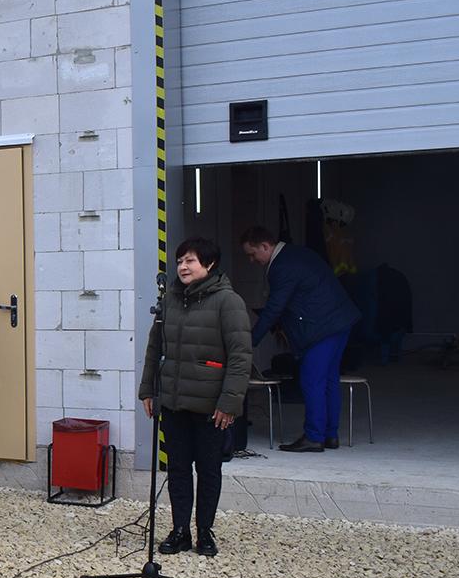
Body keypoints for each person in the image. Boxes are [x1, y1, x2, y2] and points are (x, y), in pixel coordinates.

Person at [137, 238, 251, 557]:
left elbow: (241, 356)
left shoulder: (228, 302)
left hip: (211, 407)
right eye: (180, 261)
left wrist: (229, 403)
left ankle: (205, 532)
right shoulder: (170, 300)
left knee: (209, 469)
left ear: (209, 264)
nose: (183, 267)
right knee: (177, 469)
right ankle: (180, 530)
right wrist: (148, 389)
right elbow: (154, 347)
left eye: (191, 261)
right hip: (174, 403)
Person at [241, 226, 362, 453]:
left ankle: (314, 437)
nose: (251, 260)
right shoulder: (298, 253)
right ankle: (330, 434)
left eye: (252, 253)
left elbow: (275, 308)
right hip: (340, 321)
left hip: (322, 327)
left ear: (265, 246)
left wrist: (250, 341)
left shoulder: (282, 266)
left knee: (311, 380)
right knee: (329, 380)